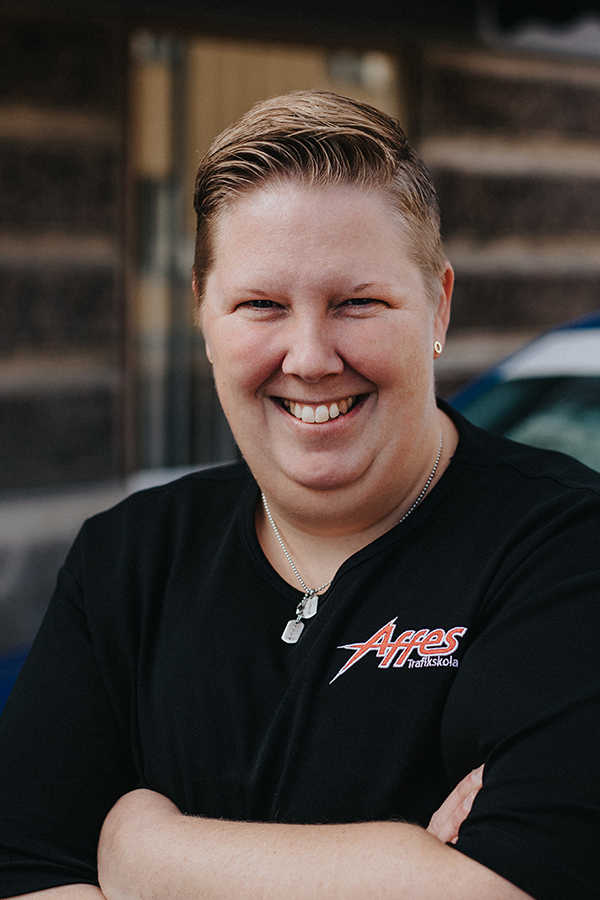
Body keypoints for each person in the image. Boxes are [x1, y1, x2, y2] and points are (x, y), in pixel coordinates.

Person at [0, 90, 599, 900]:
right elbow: (25, 870)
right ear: (203, 316)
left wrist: (143, 852)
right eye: (262, 305)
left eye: (357, 302)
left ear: (438, 306)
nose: (311, 358)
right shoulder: (129, 558)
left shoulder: (566, 550)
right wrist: (407, 870)